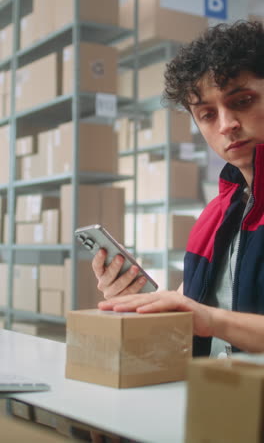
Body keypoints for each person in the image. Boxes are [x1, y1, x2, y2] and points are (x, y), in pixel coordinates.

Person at [92, 20, 264, 357]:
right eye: (207, 114)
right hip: (215, 401)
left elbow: (205, 319)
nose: (226, 124)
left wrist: (212, 320)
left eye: (242, 101)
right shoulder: (214, 217)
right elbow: (188, 325)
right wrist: (135, 301)